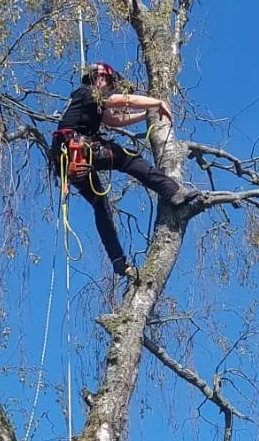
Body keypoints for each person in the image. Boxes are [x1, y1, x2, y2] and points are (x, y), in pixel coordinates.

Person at [51, 62, 199, 279]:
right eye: (111, 84)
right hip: (77, 147)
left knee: (100, 206)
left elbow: (114, 120)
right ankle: (174, 192)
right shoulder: (87, 92)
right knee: (129, 160)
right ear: (101, 79)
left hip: (68, 157)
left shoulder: (86, 101)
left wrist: (145, 114)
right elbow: (121, 101)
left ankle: (119, 262)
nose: (113, 89)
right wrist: (157, 103)